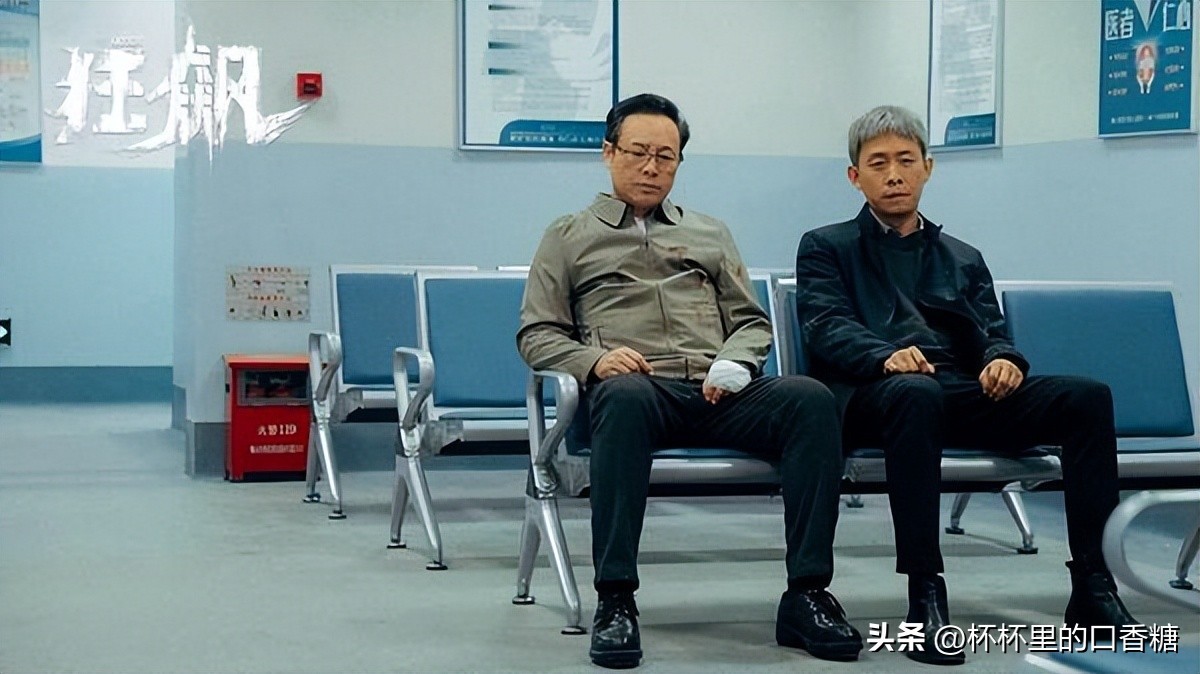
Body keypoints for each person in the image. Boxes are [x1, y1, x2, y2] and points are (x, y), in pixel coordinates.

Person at [518, 93, 861, 669]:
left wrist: (737, 361)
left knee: (809, 399)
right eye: (638, 153)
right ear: (608, 153)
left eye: (666, 156)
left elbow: (751, 322)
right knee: (623, 396)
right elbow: (537, 334)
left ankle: (807, 595)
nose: (652, 167)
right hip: (639, 389)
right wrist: (594, 362)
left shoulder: (709, 232)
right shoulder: (568, 235)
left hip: (716, 388)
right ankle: (616, 599)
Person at [794, 105, 1137, 666]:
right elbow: (826, 325)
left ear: (928, 167)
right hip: (874, 395)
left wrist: (1003, 360)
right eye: (878, 164)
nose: (894, 175)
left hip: (956, 391)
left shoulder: (961, 256)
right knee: (916, 393)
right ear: (855, 176)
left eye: (906, 161)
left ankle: (1094, 587)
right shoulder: (826, 246)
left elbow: (991, 331)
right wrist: (884, 355)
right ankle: (925, 592)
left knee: (1086, 397)